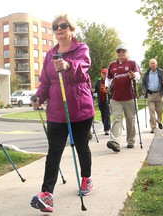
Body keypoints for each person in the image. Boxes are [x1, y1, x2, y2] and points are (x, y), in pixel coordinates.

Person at [30, 14, 95, 213]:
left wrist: (68, 65)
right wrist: (39, 96)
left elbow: (83, 67)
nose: (59, 29)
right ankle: (47, 194)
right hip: (56, 111)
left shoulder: (81, 48)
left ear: (71, 29)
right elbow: (45, 82)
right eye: (55, 26)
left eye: (63, 25)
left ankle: (86, 178)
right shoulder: (50, 54)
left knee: (81, 146)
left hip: (80, 108)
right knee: (54, 151)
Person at [105, 44, 141, 152]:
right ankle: (115, 142)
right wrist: (106, 86)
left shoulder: (132, 63)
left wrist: (134, 76)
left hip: (129, 97)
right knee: (117, 118)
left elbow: (138, 74)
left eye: (123, 51)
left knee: (130, 119)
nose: (121, 53)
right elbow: (108, 78)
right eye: (119, 51)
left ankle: (131, 141)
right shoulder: (112, 65)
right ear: (117, 53)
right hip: (116, 97)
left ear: (126, 52)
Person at [142, 58, 163, 133]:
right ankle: (153, 127)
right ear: (149, 65)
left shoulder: (161, 71)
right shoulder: (147, 73)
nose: (152, 65)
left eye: (153, 63)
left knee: (160, 110)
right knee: (151, 111)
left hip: (159, 93)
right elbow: (143, 82)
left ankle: (159, 121)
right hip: (150, 94)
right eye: (151, 63)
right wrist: (144, 89)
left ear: (156, 64)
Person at [92, 68, 111, 135]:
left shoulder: (109, 80)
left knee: (107, 114)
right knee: (103, 115)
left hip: (107, 100)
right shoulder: (98, 81)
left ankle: (107, 129)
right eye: (103, 73)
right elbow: (96, 89)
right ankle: (106, 126)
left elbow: (112, 89)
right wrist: (93, 90)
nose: (104, 75)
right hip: (101, 100)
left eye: (105, 73)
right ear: (101, 74)